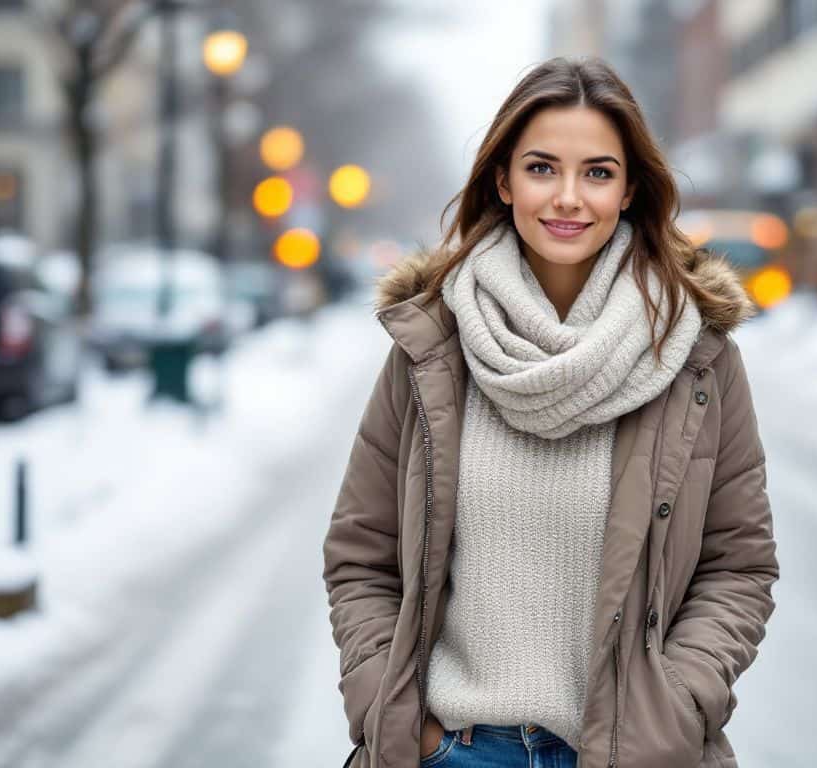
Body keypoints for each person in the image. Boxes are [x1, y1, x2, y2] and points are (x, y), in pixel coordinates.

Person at [323, 57, 778, 768]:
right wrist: (396, 716)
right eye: (542, 168)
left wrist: (675, 709)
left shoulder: (694, 353)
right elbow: (362, 558)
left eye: (597, 172)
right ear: (503, 181)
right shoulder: (433, 345)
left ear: (630, 189)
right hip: (452, 753)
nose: (569, 197)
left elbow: (738, 567)